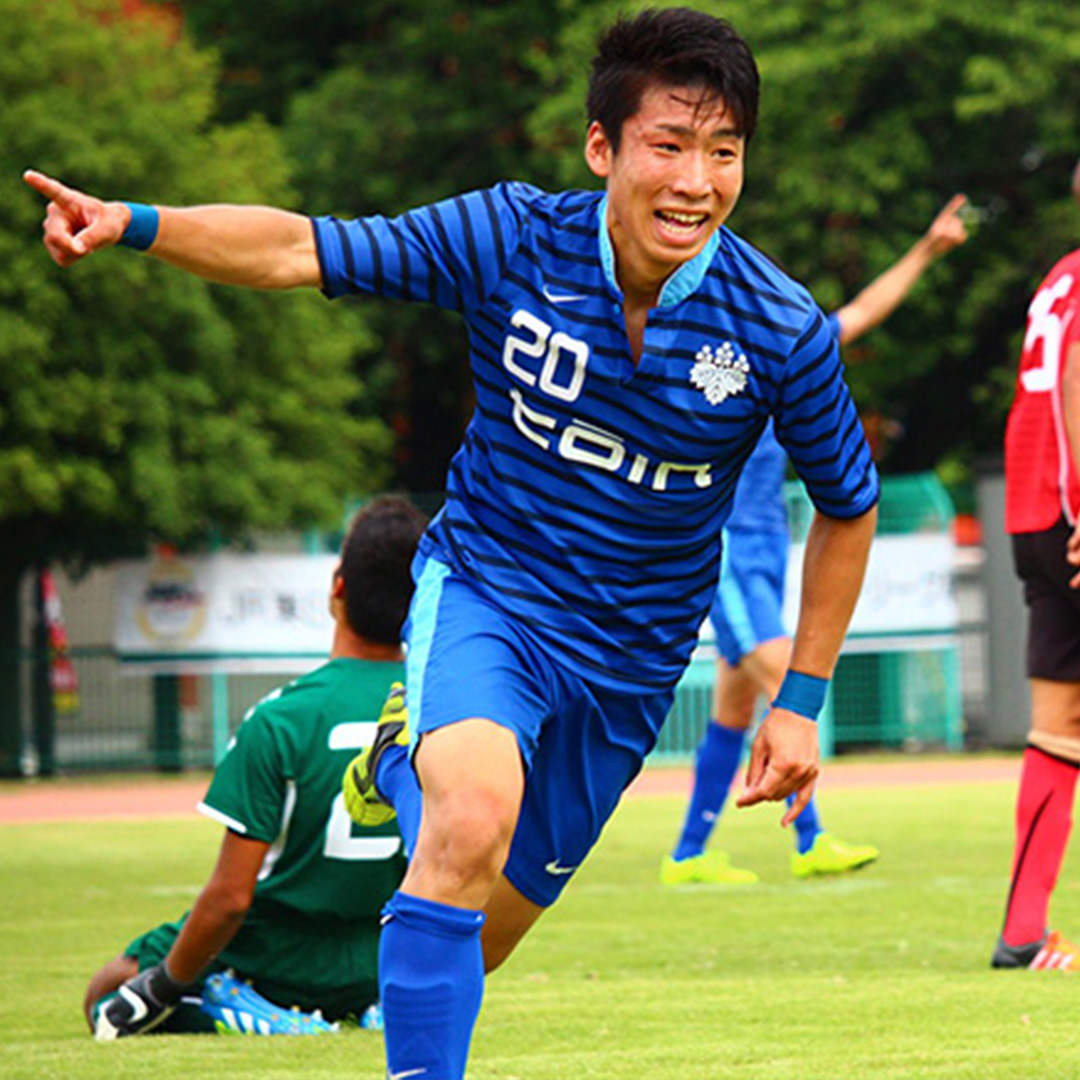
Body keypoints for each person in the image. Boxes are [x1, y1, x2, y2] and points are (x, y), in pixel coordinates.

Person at [26, 9, 879, 1075]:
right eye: (669, 145)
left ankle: (406, 764)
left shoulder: (779, 326)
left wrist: (799, 701)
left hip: (628, 666)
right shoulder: (511, 236)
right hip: (490, 591)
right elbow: (299, 247)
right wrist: (135, 223)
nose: (696, 181)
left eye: (724, 152)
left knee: (479, 937)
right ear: (602, 147)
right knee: (468, 824)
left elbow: (849, 503)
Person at [663, 195, 970, 885]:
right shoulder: (694, 349)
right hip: (727, 554)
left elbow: (863, 313)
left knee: (736, 708)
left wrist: (927, 249)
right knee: (786, 686)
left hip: (767, 551)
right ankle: (810, 838)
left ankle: (687, 855)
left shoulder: (784, 346)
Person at [85, 496, 427, 1037]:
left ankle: (242, 1010)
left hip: (273, 955)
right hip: (382, 957)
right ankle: (372, 1006)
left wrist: (163, 985)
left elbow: (230, 900)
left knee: (106, 994)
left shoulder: (280, 718)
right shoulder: (437, 711)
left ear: (337, 588)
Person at [993, 158, 1080, 972]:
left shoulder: (1060, 275)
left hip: (1034, 513)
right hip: (1071, 505)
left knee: (1058, 725)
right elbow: (1077, 381)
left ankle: (1024, 930)